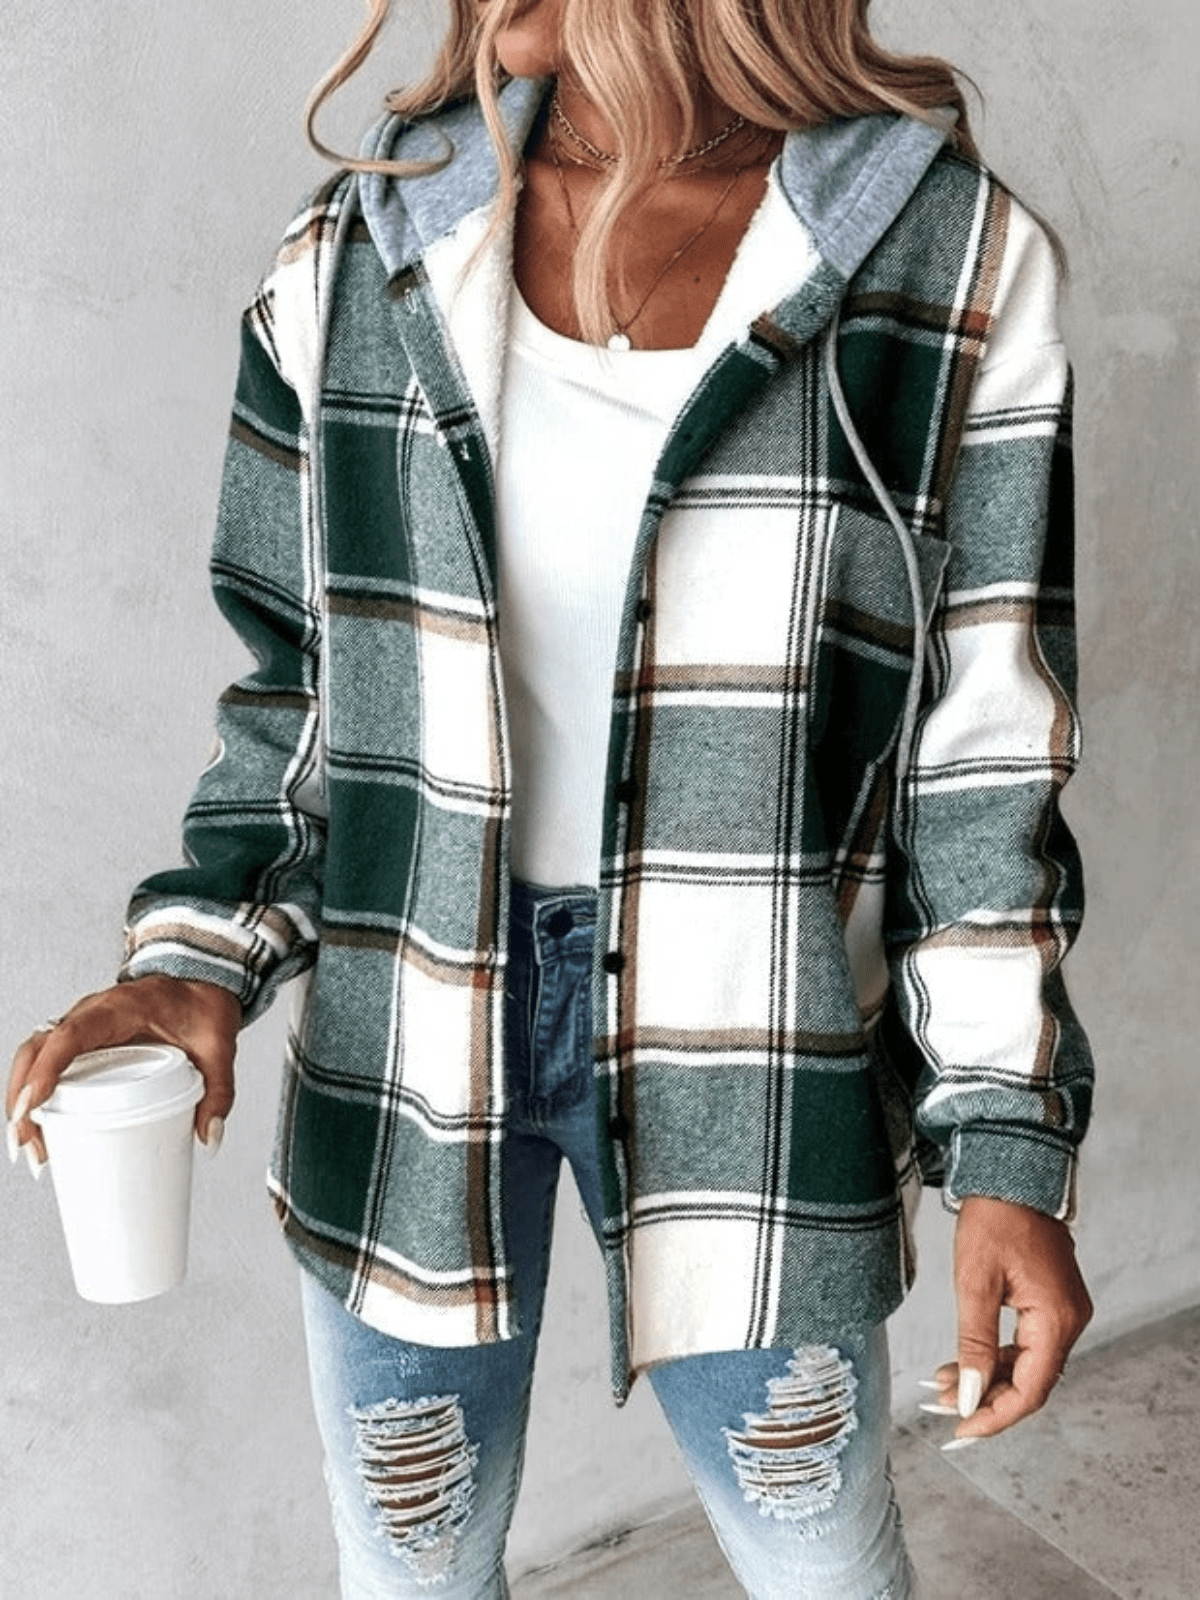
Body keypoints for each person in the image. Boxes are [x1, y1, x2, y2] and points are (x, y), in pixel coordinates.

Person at [6, 1, 1095, 1594]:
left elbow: (984, 753)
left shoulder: (947, 260)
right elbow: (299, 692)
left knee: (820, 1559)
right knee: (414, 1567)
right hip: (411, 1027)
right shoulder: (364, 248)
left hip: (757, 1048)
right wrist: (194, 961)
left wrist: (1005, 1144)